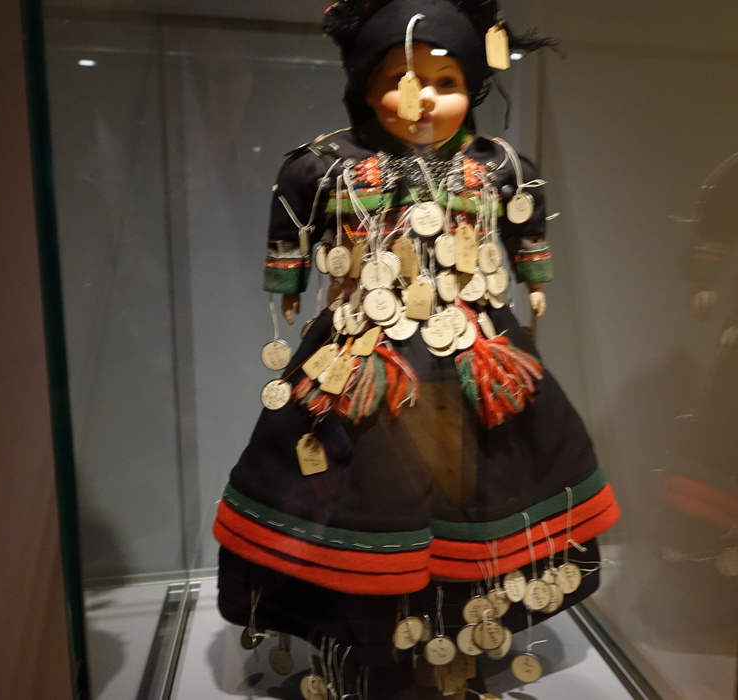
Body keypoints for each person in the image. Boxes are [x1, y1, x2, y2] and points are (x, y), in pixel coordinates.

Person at [213, 0, 619, 694]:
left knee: (479, 499)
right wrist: (289, 285)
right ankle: (367, 646)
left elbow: (525, 233)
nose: (423, 97)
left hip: (478, 353)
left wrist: (534, 281)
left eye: (446, 81)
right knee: (366, 499)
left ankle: (458, 642)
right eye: (400, 79)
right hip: (360, 353)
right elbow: (292, 228)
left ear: (475, 88)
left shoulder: (499, 164)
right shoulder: (324, 164)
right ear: (364, 86)